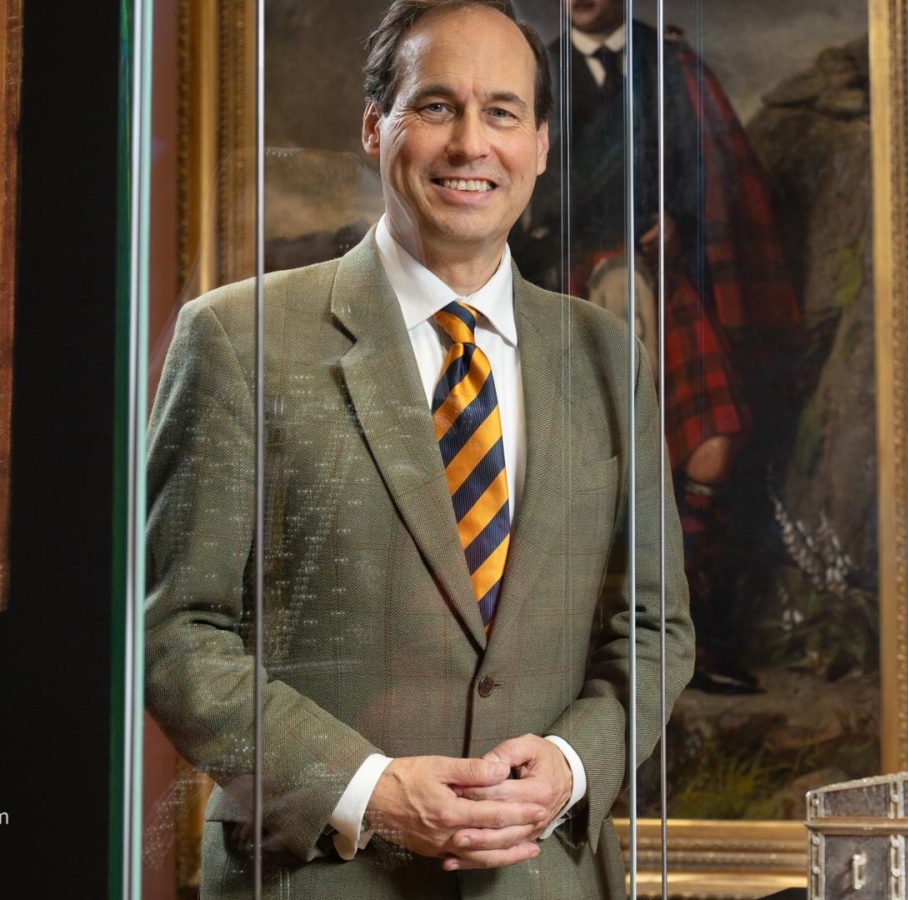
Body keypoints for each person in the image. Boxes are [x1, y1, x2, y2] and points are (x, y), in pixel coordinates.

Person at [143, 1, 694, 896]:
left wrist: (571, 762)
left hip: (547, 880)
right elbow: (175, 631)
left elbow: (656, 626)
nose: (471, 144)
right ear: (375, 125)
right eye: (436, 106)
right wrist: (367, 789)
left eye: (503, 112)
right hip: (320, 876)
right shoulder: (239, 339)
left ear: (542, 144)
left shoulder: (605, 359)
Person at [515, 0, 801, 694]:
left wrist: (681, 224)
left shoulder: (672, 65)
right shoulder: (531, 75)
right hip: (570, 296)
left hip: (666, 287)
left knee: (715, 440)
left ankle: (687, 631)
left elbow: (721, 189)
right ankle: (594, 652)